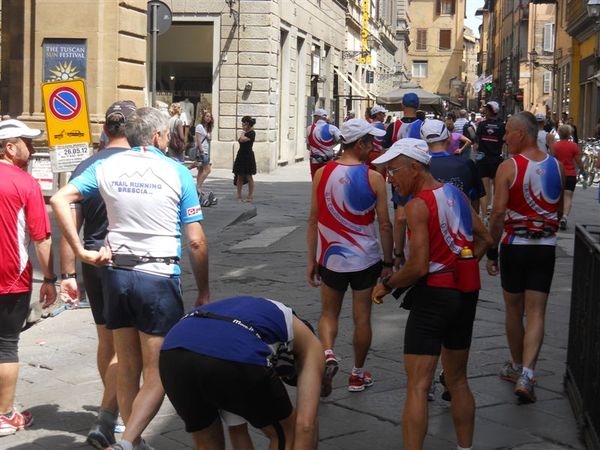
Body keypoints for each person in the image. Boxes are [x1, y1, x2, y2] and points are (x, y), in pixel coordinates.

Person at [51, 107, 209, 450]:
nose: (169, 140)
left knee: (126, 364)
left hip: (116, 275)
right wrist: (205, 290)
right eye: (167, 134)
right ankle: (128, 440)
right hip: (157, 276)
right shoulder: (176, 171)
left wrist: (80, 253)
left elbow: (59, 198)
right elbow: (195, 240)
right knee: (159, 370)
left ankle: (130, 441)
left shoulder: (104, 166)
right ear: (156, 137)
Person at [371, 138, 492, 450]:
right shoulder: (458, 195)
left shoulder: (416, 205)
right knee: (458, 380)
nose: (390, 179)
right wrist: (463, 266)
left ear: (415, 167)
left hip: (434, 298)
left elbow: (418, 266)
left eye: (393, 171)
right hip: (464, 294)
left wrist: (387, 285)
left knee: (418, 385)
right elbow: (485, 238)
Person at [58, 101, 136, 448]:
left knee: (107, 340)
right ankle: (116, 412)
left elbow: (68, 223)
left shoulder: (86, 165)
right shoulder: (142, 164)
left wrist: (67, 273)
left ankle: (113, 410)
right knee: (128, 343)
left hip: (91, 259)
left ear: (105, 129)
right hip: (128, 260)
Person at [159, 296, 324, 450]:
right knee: (287, 435)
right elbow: (306, 426)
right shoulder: (311, 343)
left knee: (207, 443)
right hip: (235, 353)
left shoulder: (259, 313)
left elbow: (237, 428)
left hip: (173, 351)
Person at [307, 118, 393, 396]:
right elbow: (384, 224)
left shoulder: (322, 174)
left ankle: (329, 354)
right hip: (365, 259)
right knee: (362, 318)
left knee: (328, 313)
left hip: (331, 257)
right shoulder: (374, 178)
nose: (374, 146)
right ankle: (356, 374)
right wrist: (389, 261)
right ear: (359, 144)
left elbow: (313, 219)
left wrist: (312, 259)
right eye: (370, 141)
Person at [486, 111, 564, 403]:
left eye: (507, 132)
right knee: (537, 312)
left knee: (512, 310)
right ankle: (528, 374)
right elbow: (557, 211)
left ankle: (516, 365)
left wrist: (492, 249)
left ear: (521, 133)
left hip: (516, 245)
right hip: (545, 246)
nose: (504, 137)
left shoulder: (509, 167)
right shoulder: (556, 166)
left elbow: (497, 213)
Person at [0, 119, 57, 436]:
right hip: (10, 277)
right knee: (6, 346)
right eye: (27, 142)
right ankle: (5, 415)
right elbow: (42, 239)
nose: (33, 148)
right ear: (10, 147)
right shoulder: (26, 183)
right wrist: (49, 279)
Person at [474, 101, 505, 220]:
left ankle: (484, 214)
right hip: (497, 159)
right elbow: (504, 143)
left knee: (485, 188)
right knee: (497, 187)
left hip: (483, 160)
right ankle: (495, 212)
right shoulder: (502, 125)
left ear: (491, 111)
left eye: (486, 110)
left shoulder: (481, 125)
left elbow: (476, 145)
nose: (484, 111)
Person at [551, 125, 583, 230]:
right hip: (570, 174)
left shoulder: (555, 146)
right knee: (568, 196)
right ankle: (564, 217)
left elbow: (552, 161)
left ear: (559, 134)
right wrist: (583, 171)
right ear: (569, 134)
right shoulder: (574, 146)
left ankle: (556, 217)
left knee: (557, 196)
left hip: (558, 174)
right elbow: (578, 161)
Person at [305, 109, 341, 178]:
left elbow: (308, 146)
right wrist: (337, 151)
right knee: (327, 181)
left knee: (316, 181)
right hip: (329, 160)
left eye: (314, 117)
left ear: (317, 117)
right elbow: (342, 140)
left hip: (315, 161)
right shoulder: (332, 128)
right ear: (325, 117)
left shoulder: (309, 128)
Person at [193, 111, 216, 207]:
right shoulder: (199, 127)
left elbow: (208, 139)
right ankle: (197, 187)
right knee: (207, 170)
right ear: (203, 117)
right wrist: (201, 151)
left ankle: (198, 189)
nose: (208, 118)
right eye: (206, 116)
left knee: (201, 170)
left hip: (206, 151)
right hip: (202, 151)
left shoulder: (207, 128)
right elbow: (198, 139)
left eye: (210, 117)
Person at [233, 116, 257, 202]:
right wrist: (243, 132)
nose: (243, 125)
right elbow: (240, 140)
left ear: (248, 125)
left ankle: (250, 196)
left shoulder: (252, 133)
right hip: (241, 155)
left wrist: (243, 132)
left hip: (248, 156)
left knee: (249, 176)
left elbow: (242, 140)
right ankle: (239, 196)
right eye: (242, 123)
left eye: (244, 124)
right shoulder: (245, 132)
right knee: (239, 176)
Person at [366, 105, 388, 173]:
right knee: (380, 178)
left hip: (368, 155)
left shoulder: (368, 126)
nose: (384, 116)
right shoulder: (383, 126)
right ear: (377, 115)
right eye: (383, 114)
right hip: (380, 155)